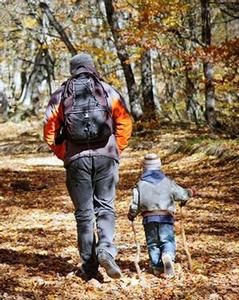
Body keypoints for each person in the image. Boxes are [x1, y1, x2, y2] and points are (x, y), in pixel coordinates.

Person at [44, 53, 133, 281]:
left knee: (84, 214)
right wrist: (116, 150)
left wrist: (64, 153)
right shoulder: (107, 90)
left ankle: (90, 267)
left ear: (72, 69)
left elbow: (49, 129)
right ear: (92, 67)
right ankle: (106, 249)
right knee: (105, 206)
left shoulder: (61, 94)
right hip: (107, 157)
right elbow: (124, 122)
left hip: (76, 160)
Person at [127, 153, 196, 278]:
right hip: (166, 217)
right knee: (166, 240)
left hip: (148, 218)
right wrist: (190, 192)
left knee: (153, 243)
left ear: (144, 167)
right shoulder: (168, 182)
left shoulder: (139, 185)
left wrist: (131, 215)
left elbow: (135, 204)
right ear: (159, 166)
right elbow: (181, 194)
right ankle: (168, 256)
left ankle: (157, 268)